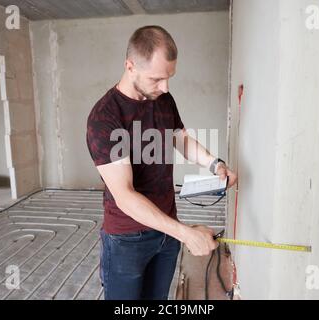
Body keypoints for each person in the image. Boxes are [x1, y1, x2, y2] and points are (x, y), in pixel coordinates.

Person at [86, 25, 237, 300]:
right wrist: (186, 234)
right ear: (130, 66)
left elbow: (180, 139)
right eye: (156, 79)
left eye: (169, 78)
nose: (165, 87)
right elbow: (125, 196)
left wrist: (215, 164)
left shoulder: (163, 98)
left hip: (166, 233)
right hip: (126, 240)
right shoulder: (104, 118)